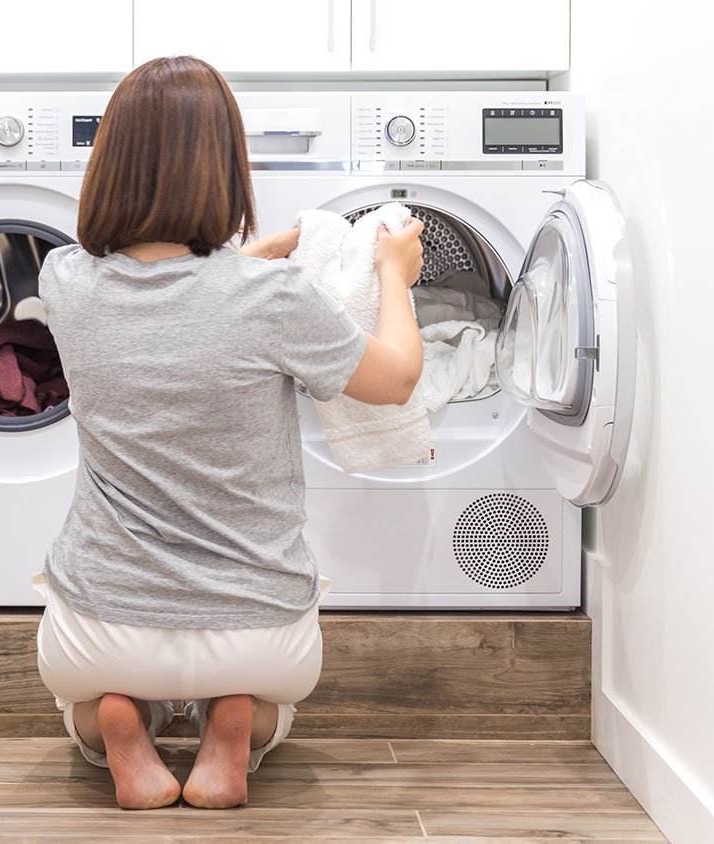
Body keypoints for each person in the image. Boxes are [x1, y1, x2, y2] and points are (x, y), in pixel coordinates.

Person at [33, 55, 425, 810]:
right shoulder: (275, 297)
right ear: (224, 168)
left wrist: (239, 271)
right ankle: (237, 723)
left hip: (98, 631)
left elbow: (168, 305)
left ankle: (113, 720)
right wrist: (394, 279)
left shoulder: (64, 281)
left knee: (82, 705)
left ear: (107, 163)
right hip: (261, 634)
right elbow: (398, 379)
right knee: (269, 698)